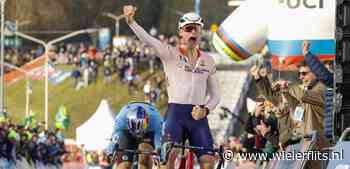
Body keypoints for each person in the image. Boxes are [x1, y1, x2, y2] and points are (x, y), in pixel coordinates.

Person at [123, 5, 221, 169]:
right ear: (181, 32)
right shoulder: (169, 53)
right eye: (189, 29)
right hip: (176, 115)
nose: (194, 33)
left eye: (197, 29)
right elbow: (147, 39)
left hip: (199, 118)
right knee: (167, 161)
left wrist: (206, 110)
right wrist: (131, 22)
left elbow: (216, 95)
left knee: (208, 163)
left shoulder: (208, 60)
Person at [106, 102, 163, 169]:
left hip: (147, 132)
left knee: (144, 161)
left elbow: (159, 140)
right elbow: (115, 137)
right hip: (127, 132)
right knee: (124, 165)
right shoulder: (121, 120)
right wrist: (110, 152)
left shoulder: (155, 120)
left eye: (139, 131)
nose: (137, 134)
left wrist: (160, 152)